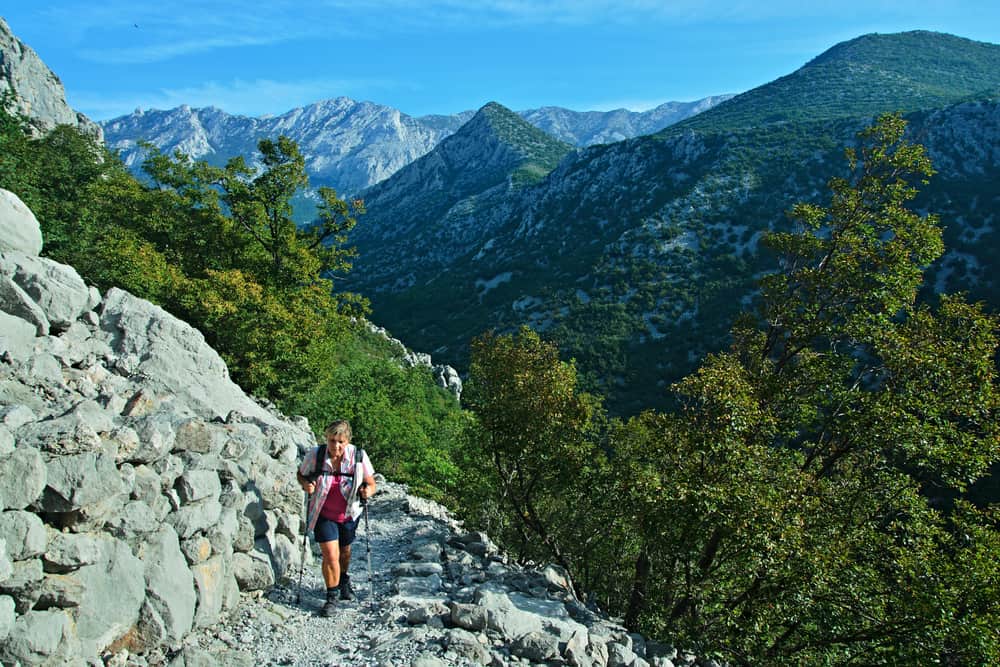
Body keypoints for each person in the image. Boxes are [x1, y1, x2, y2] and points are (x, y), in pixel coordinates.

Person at [297, 420, 376, 616]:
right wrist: (306, 484)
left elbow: (371, 483)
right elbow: (301, 475)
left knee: (344, 552)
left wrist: (368, 491)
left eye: (341, 441)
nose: (336, 446)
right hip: (323, 513)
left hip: (349, 513)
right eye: (332, 440)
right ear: (327, 438)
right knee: (330, 555)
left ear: (347, 441)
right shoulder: (315, 455)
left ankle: (343, 579)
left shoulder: (358, 457)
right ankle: (331, 598)